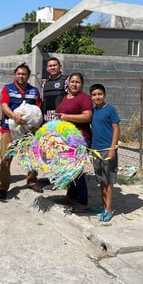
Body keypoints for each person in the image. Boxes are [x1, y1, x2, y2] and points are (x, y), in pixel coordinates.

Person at [0, 63, 43, 199]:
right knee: (6, 158)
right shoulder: (7, 89)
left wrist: (36, 125)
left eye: (24, 74)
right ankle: (3, 186)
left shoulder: (34, 91)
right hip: (9, 130)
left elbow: (38, 110)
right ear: (14, 75)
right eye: (19, 74)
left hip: (28, 130)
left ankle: (32, 181)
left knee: (32, 156)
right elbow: (4, 105)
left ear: (28, 76)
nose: (21, 76)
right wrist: (14, 116)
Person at [55, 72, 93, 210]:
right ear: (68, 83)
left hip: (81, 140)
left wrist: (67, 117)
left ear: (82, 85)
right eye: (72, 81)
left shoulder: (84, 98)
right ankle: (71, 196)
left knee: (77, 172)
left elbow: (87, 116)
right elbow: (60, 115)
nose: (75, 84)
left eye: (78, 82)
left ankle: (83, 203)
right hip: (66, 140)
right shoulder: (65, 98)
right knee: (69, 171)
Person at [89, 83, 120, 222]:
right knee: (101, 180)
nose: (97, 97)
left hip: (107, 150)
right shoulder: (93, 111)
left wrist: (112, 149)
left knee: (108, 181)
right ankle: (103, 206)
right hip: (95, 150)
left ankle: (108, 209)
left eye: (99, 94)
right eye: (94, 95)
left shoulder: (110, 110)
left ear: (104, 94)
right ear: (91, 97)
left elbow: (116, 129)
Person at [41, 57, 67, 122]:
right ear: (47, 69)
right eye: (50, 66)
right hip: (47, 119)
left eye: (55, 65)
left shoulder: (67, 80)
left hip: (62, 118)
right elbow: (42, 99)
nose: (52, 68)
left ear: (60, 66)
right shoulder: (44, 83)